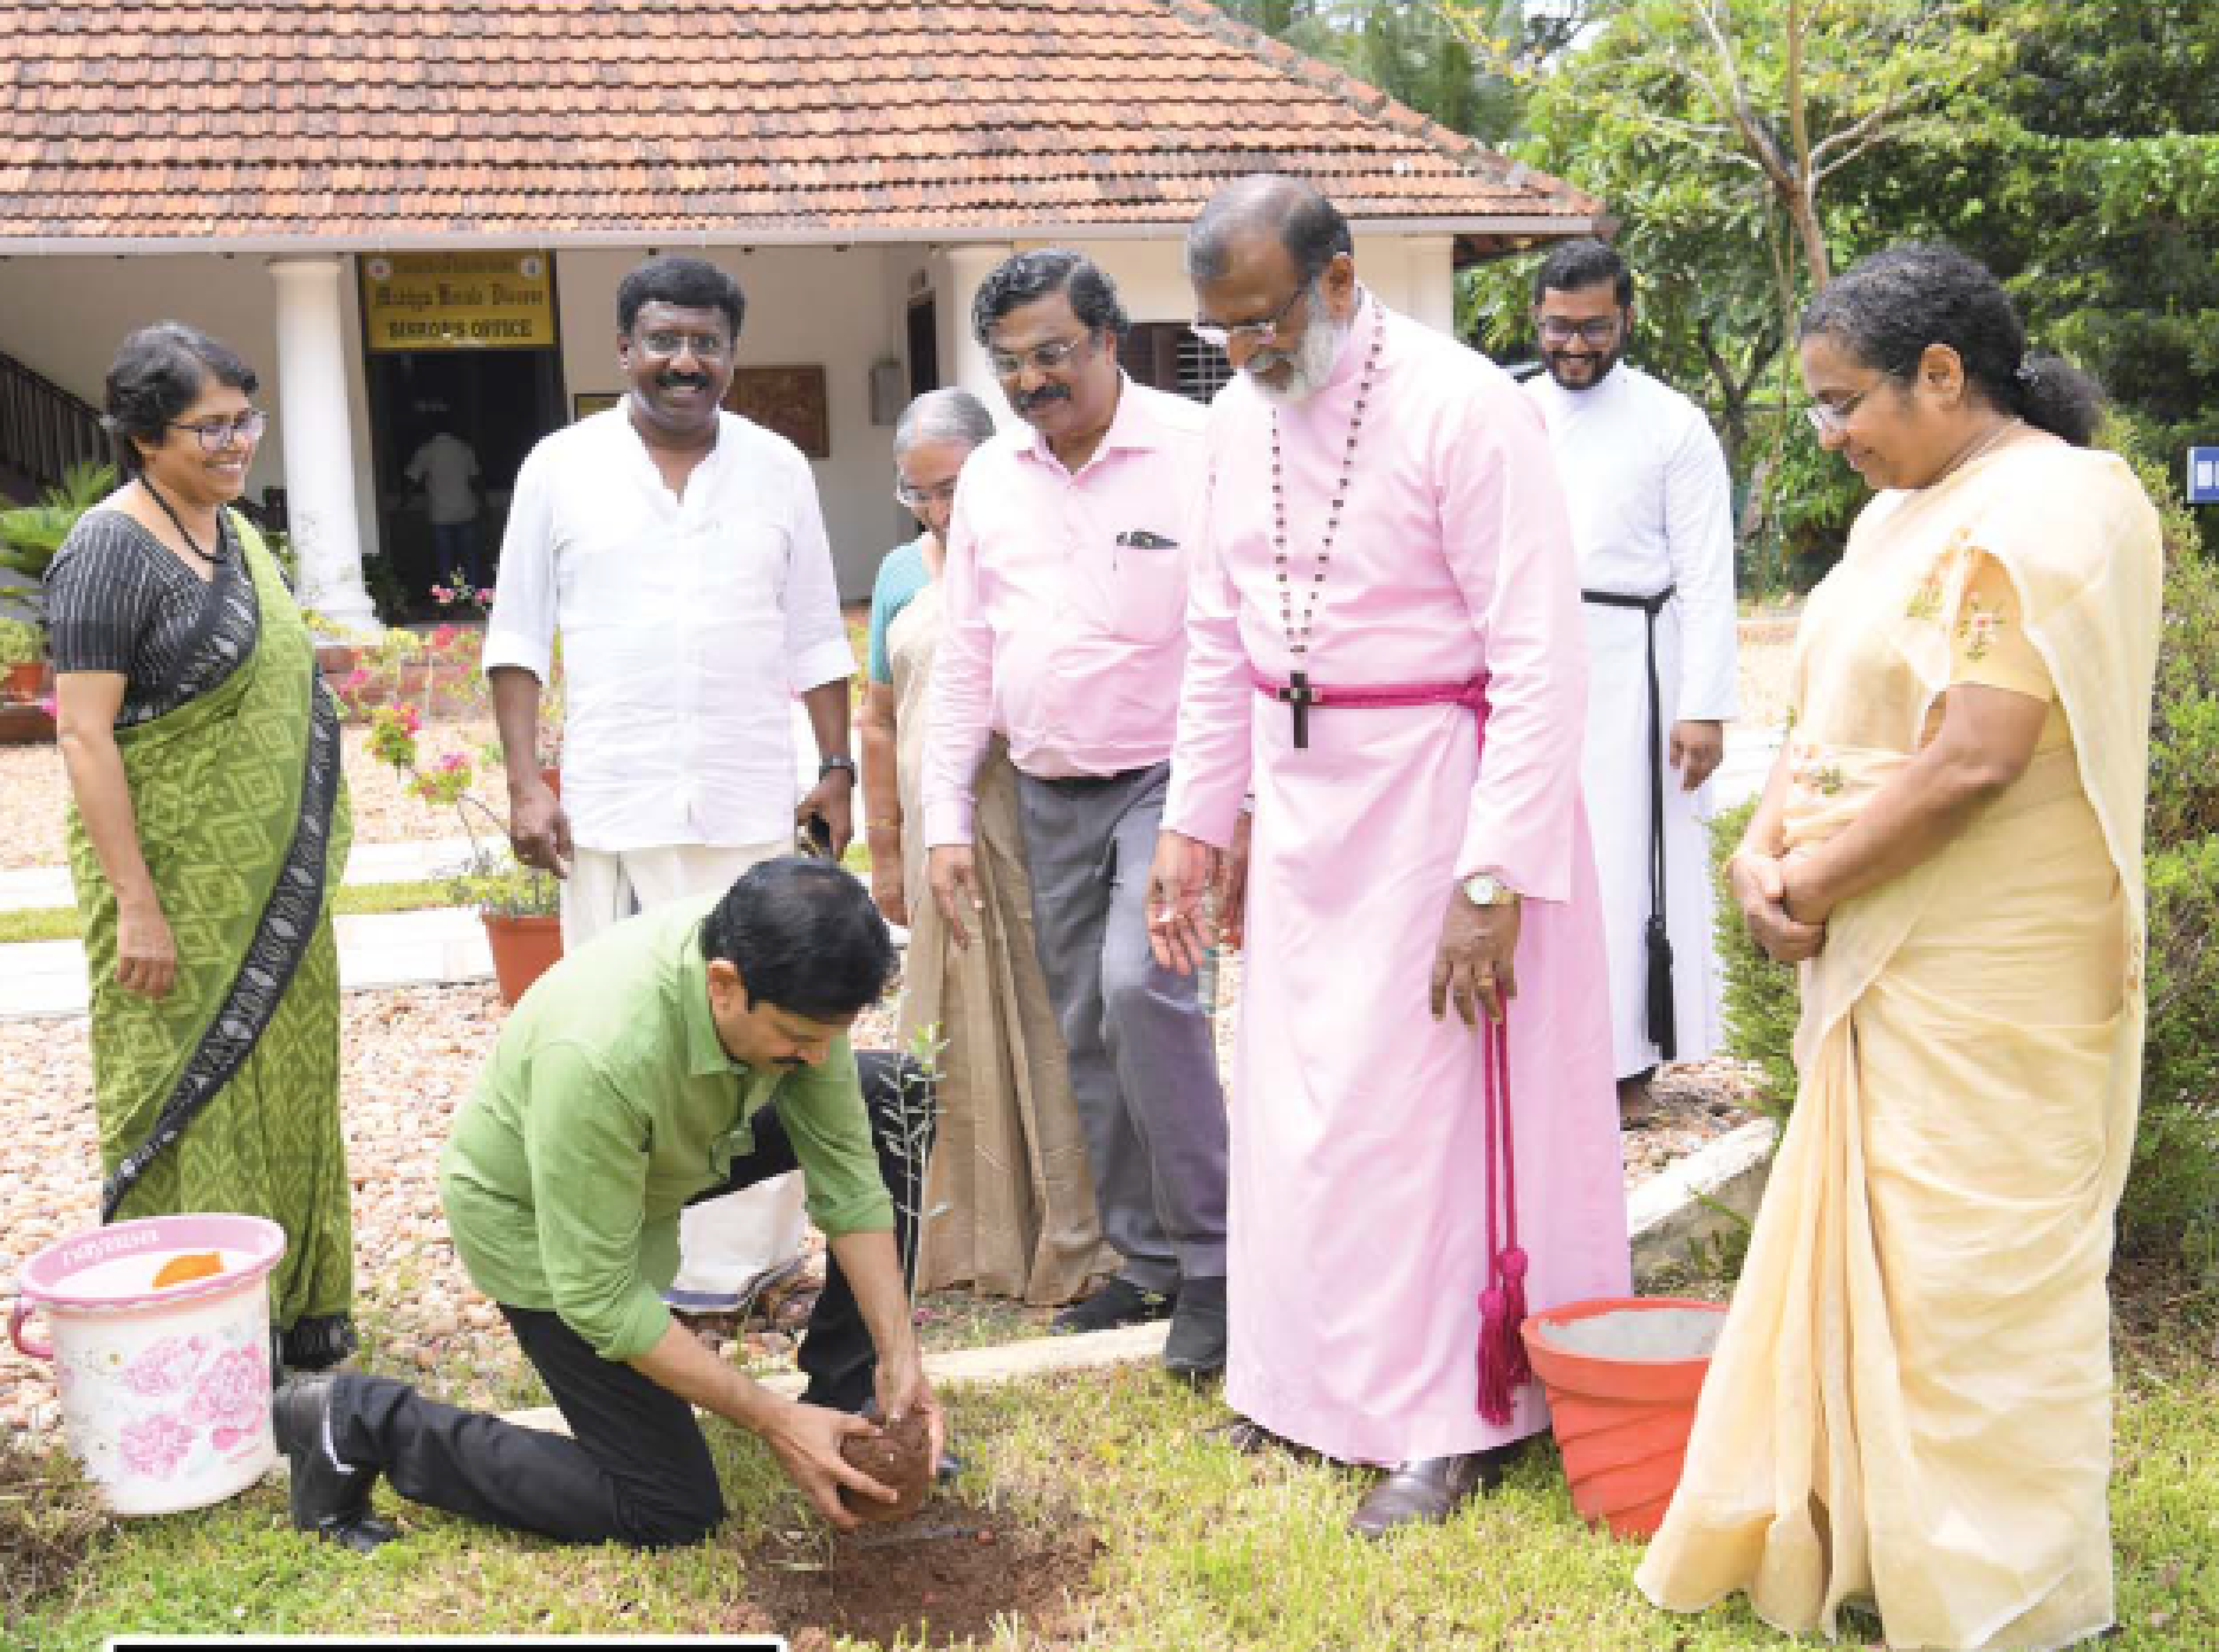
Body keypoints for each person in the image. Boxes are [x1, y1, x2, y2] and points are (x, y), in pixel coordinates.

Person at [1637, 245, 2161, 1650]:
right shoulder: (1894, 519)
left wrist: (1803, 877)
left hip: (1998, 960)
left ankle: (2007, 1585)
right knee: (1884, 1262)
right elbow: (1823, 723)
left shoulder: (2058, 506)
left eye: (1839, 400)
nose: (1827, 433)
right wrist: (1754, 855)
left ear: (1941, 373)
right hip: (1873, 932)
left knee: (1977, 1275)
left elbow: (1974, 756)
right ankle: (1875, 1541)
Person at [1147, 175, 1630, 1536]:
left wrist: (1493, 874)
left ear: (1341, 280)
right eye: (1221, 330)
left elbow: (1541, 655)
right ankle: (1299, 1386)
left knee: (1427, 1118)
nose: (1245, 351)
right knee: (1303, 1109)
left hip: (1442, 800)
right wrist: (1195, 821)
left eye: (1265, 320)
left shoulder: (1466, 405)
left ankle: (1448, 1416)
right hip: (1304, 812)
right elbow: (1218, 640)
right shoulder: (1233, 423)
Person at [270, 858, 947, 1552]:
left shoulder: (788, 965)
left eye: (827, 1038)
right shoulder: (600, 1054)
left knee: (894, 1096)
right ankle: (357, 1420)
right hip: (536, 1213)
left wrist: (898, 1353)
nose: (818, 1058)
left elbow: (848, 1176)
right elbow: (600, 1296)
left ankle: (852, 1402)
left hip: (671, 1151)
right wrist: (772, 1419)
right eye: (799, 1039)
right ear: (723, 985)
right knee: (668, 1509)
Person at [482, 254, 859, 1313]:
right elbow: (517, 636)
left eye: (707, 343)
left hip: (747, 803)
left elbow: (815, 632)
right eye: (664, 340)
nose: (685, 361)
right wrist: (525, 782)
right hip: (617, 807)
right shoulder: (560, 466)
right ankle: (623, 1259)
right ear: (624, 350)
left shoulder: (778, 468)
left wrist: (837, 769)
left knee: (767, 1026)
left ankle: (756, 1263)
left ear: (732, 355)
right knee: (623, 1040)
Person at [921, 249, 1231, 1376]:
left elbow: (1236, 634)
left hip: (1169, 781)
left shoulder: (1197, 450)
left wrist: (1224, 806)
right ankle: (1146, 1259)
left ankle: (1220, 1265)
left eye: (1053, 353)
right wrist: (945, 817)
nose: (1031, 381)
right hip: (1047, 791)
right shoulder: (992, 478)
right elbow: (965, 652)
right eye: (1008, 363)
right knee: (1089, 1031)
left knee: (1144, 989)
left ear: (1108, 339)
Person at [45, 322, 357, 1371]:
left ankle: (291, 1306)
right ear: (144, 435)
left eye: (245, 420)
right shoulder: (108, 548)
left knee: (290, 1082)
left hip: (275, 887)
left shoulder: (235, 534)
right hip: (171, 887)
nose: (237, 443)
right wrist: (137, 903)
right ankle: (189, 1329)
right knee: (186, 1093)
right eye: (209, 427)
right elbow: (84, 734)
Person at [859, 388, 1110, 1306]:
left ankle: (1074, 1228)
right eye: (917, 492)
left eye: (951, 488)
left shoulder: (1038, 546)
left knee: (1050, 1016)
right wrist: (887, 847)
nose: (936, 510)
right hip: (939, 840)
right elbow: (880, 716)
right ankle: (960, 1234)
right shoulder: (900, 572)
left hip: (1031, 824)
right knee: (950, 1017)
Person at [1522, 239, 1739, 1120]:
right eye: (1559, 327)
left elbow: (1707, 571)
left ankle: (1626, 1061)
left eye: (1594, 327)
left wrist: (1703, 704)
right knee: (1530, 852)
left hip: (1637, 662)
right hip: (1529, 655)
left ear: (1626, 320)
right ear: (1535, 318)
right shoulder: (1509, 412)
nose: (1575, 345)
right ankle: (1540, 1052)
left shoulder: (1670, 422)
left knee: (1622, 862)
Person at [403, 420, 486, 589]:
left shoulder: (427, 451)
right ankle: (473, 594)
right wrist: (485, 504)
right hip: (466, 511)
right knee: (470, 557)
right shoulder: (464, 449)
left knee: (445, 560)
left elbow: (412, 480)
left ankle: (449, 596)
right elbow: (476, 481)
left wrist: (403, 502)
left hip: (440, 514)